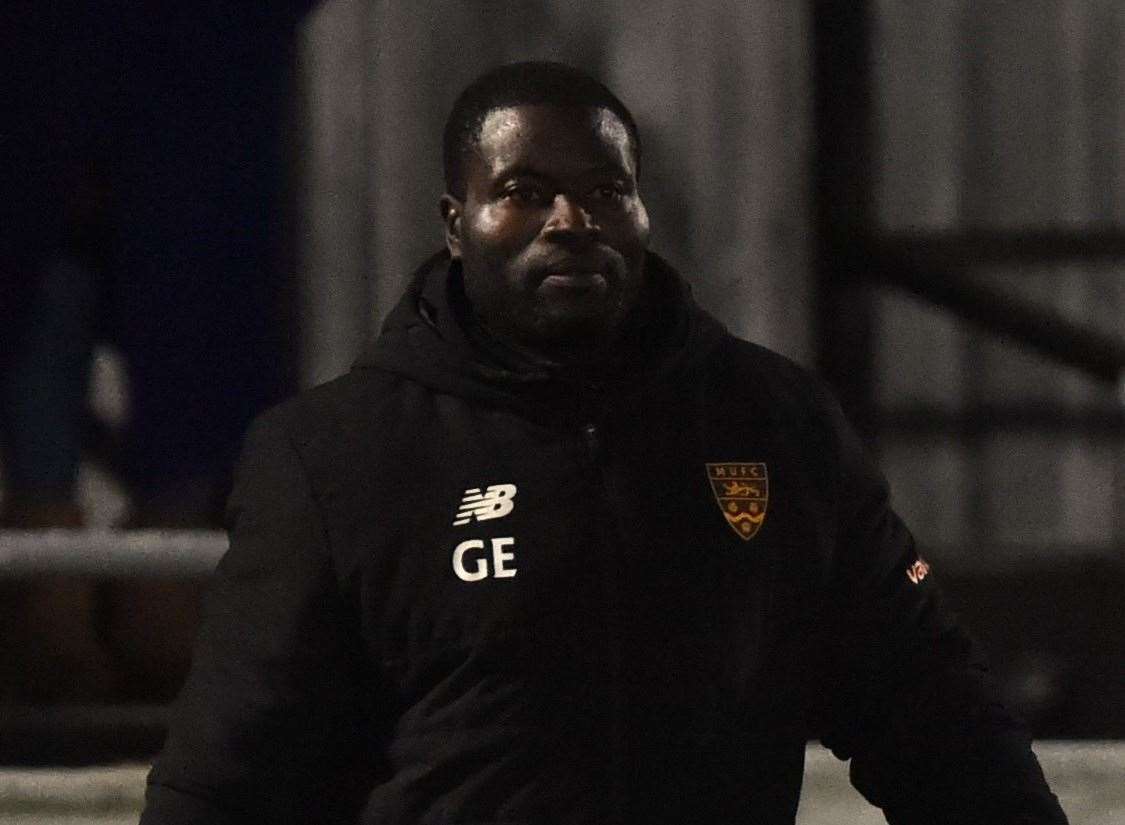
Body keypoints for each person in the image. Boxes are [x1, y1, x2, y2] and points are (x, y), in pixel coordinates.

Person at [140, 62, 1068, 824]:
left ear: (640, 211)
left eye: (604, 191)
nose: (570, 222)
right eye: (524, 192)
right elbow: (230, 779)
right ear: (455, 224)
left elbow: (929, 711)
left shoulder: (776, 424)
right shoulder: (335, 456)